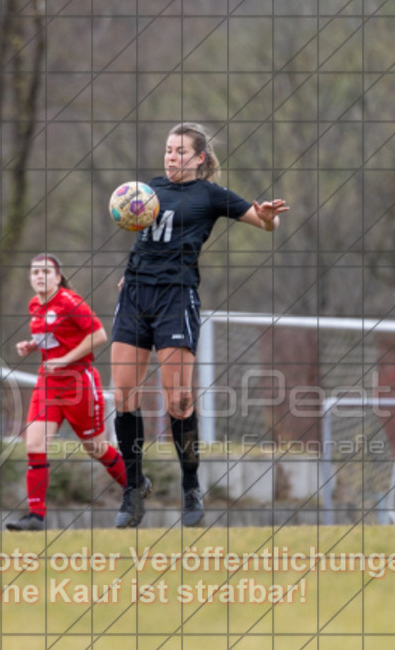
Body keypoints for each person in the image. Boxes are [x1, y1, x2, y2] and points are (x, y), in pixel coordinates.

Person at [111, 122, 289, 528]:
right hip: (136, 296)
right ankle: (134, 486)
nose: (171, 156)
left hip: (176, 297)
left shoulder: (210, 195)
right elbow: (143, 238)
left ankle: (191, 486)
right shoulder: (148, 191)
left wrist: (267, 218)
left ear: (200, 157)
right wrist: (129, 272)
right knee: (124, 394)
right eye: (168, 149)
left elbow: (265, 223)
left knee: (179, 400)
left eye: (179, 150)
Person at [5, 254, 128, 531]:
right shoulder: (35, 304)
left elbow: (98, 336)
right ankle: (35, 516)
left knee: (95, 447)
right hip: (48, 385)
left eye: (45, 272)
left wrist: (64, 360)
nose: (39, 276)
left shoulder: (70, 302)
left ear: (57, 277)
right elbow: (55, 336)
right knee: (34, 445)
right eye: (34, 271)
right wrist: (32, 346)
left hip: (78, 383)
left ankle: (134, 487)